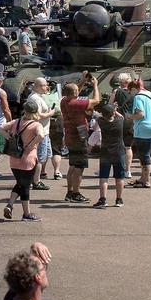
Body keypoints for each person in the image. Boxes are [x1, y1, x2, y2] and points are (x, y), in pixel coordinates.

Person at [0, 99, 46, 221]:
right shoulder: (36, 125)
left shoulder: (16, 122)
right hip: (28, 160)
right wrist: (32, 144)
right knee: (25, 186)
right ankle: (26, 214)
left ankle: (10, 205)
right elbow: (41, 135)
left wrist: (8, 137)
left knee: (20, 184)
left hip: (14, 159)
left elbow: (1, 127)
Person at [60, 73, 101, 203]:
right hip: (79, 137)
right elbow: (96, 101)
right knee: (79, 167)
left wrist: (83, 81)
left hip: (70, 137)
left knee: (72, 165)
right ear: (75, 93)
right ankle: (76, 193)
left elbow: (74, 89)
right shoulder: (76, 103)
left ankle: (69, 192)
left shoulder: (64, 100)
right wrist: (95, 86)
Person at [124, 80, 151, 188]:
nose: (130, 94)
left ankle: (146, 181)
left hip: (145, 128)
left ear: (133, 89)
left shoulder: (138, 97)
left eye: (129, 91)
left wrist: (129, 116)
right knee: (147, 153)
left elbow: (140, 114)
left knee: (144, 156)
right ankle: (143, 178)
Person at [94, 103, 126, 207]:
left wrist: (110, 110)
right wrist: (115, 109)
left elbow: (97, 120)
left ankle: (103, 199)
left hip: (105, 152)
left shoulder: (101, 122)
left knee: (104, 177)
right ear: (113, 113)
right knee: (119, 177)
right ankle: (119, 199)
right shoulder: (120, 121)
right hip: (119, 152)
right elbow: (121, 116)